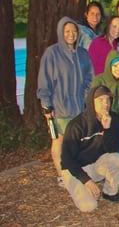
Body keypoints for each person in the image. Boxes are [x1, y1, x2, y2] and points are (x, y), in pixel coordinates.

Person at [37, 16, 93, 187]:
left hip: (78, 106)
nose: (71, 34)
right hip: (59, 107)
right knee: (59, 141)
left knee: (78, 140)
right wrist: (47, 105)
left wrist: (84, 96)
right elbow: (44, 81)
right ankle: (62, 175)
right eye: (67, 31)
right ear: (61, 33)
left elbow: (90, 77)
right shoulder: (52, 53)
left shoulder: (82, 54)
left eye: (74, 31)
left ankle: (76, 171)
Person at [60, 85, 119, 212]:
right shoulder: (77, 125)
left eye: (108, 100)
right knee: (89, 207)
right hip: (74, 169)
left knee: (117, 158)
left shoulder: (113, 119)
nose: (105, 103)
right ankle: (71, 184)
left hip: (95, 165)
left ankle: (109, 193)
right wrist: (86, 181)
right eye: (100, 100)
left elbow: (113, 149)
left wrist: (107, 130)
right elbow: (67, 160)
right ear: (91, 101)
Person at [91, 51, 119, 180]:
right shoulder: (100, 79)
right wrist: (103, 117)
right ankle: (103, 170)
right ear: (109, 67)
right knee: (103, 142)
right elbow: (94, 100)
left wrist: (117, 120)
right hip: (102, 117)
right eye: (115, 66)